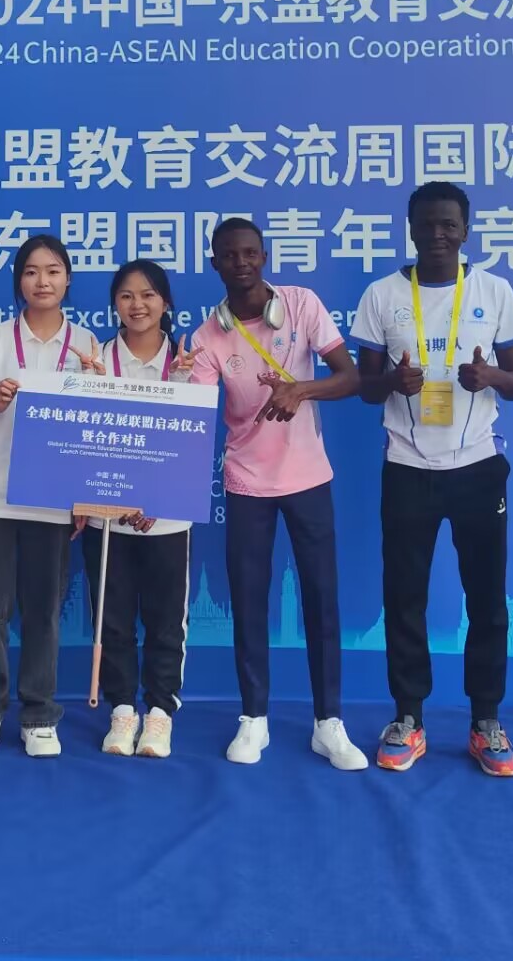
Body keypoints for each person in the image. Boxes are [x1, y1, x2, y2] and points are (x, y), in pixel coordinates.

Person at [353, 181, 513, 778]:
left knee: (487, 599)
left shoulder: (494, 291)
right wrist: (391, 383)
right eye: (426, 224)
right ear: (410, 228)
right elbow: (365, 387)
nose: (437, 235)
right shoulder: (382, 295)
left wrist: (490, 377)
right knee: (405, 598)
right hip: (407, 469)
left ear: (465, 230)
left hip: (478, 468)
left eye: (448, 224)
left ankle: (486, 722)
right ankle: (408, 718)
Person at [188, 217, 368, 771]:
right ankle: (254, 719)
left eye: (250, 253)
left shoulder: (301, 303)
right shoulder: (207, 337)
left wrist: (301, 389)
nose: (241, 263)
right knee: (248, 600)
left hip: (308, 477)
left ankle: (328, 723)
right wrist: (177, 381)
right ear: (215, 263)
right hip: (246, 481)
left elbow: (351, 377)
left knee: (320, 598)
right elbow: (194, 413)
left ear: (263, 256)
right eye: (229, 255)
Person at [0, 235, 98, 760]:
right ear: (19, 281)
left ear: (68, 279)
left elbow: (95, 430)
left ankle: (39, 714)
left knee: (43, 608)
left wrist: (82, 497)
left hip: (50, 497)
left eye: (53, 271)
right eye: (32, 271)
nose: (43, 281)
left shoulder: (87, 345)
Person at [75, 260, 196, 759]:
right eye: (126, 295)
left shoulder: (186, 360)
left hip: (166, 519)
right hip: (107, 516)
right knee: (113, 620)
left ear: (166, 302)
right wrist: (86, 386)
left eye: (148, 295)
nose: (137, 304)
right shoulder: (95, 359)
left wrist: (157, 498)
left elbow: (190, 445)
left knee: (166, 621)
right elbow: (79, 441)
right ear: (114, 305)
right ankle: (122, 711)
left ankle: (160, 713)